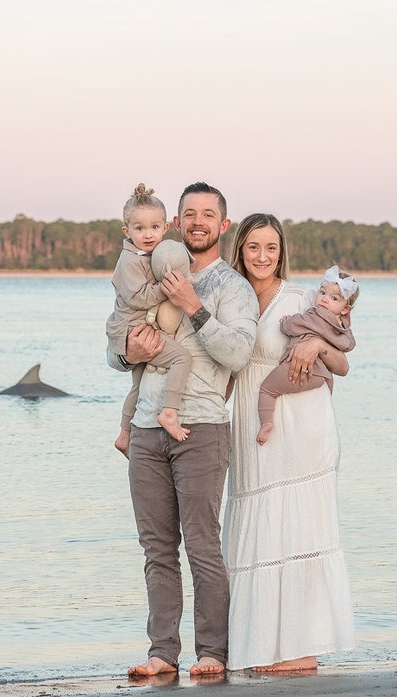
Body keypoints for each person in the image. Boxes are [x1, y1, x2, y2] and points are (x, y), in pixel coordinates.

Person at [108, 181, 258, 679]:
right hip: (147, 429)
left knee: (201, 544)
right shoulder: (145, 267)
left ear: (223, 225)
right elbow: (114, 352)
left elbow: (238, 353)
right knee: (156, 549)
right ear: (176, 222)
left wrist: (194, 304)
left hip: (201, 430)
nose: (197, 221)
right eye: (189, 213)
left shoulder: (233, 287)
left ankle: (213, 651)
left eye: (207, 215)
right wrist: (131, 350)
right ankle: (162, 653)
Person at [222, 213, 356, 672]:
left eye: (272, 248)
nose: (263, 256)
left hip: (301, 427)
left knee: (300, 529)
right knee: (257, 527)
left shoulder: (301, 298)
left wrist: (317, 347)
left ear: (282, 252)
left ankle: (299, 651)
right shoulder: (227, 297)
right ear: (240, 247)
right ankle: (257, 647)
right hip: (251, 422)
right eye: (254, 246)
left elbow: (342, 362)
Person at [106, 183, 194, 450]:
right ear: (127, 231)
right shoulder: (129, 260)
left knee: (138, 385)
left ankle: (124, 436)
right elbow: (140, 297)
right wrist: (168, 288)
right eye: (139, 228)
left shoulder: (153, 254)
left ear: (165, 228)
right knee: (182, 358)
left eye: (154, 227)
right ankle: (169, 412)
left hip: (136, 327)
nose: (147, 234)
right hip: (131, 330)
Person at [255, 265, 358, 445]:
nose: (324, 300)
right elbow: (348, 345)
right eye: (322, 292)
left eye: (334, 298)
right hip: (321, 376)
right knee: (326, 394)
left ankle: (266, 423)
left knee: (267, 389)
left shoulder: (315, 314)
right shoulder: (341, 327)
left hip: (298, 368)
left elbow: (292, 327)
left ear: (345, 309)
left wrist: (286, 321)